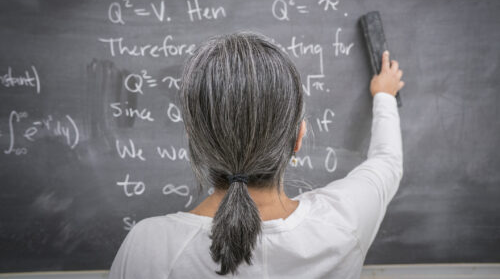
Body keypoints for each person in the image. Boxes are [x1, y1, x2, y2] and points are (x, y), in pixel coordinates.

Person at [109, 31, 405, 279]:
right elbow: (387, 160)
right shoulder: (344, 222)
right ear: (299, 137)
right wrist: (384, 95)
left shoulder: (150, 247)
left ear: (194, 140)